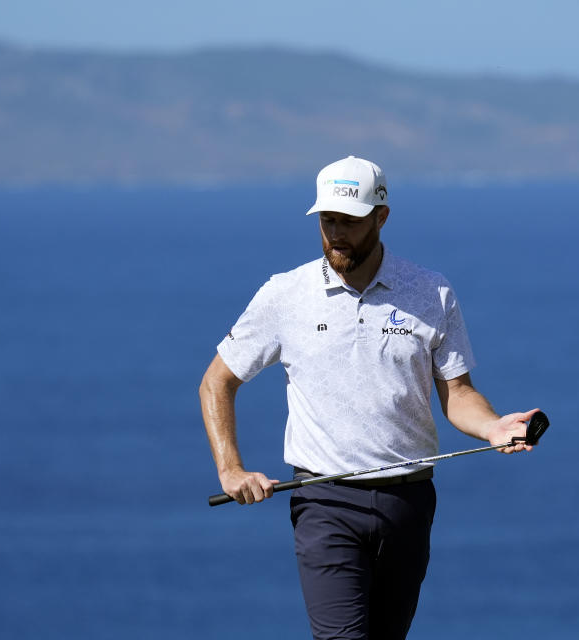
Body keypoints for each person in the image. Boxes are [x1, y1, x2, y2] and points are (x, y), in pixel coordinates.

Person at [199, 155, 543, 640]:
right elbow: (217, 381)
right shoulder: (285, 294)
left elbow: (458, 393)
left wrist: (493, 428)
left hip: (410, 501)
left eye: (350, 221)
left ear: (381, 217)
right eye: (327, 220)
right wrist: (230, 468)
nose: (336, 233)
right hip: (324, 502)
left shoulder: (430, 292)